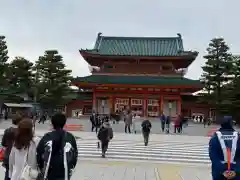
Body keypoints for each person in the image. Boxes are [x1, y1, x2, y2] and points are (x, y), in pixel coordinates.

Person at [36, 113, 78, 180]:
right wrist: (70, 167)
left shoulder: (47, 137)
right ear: (64, 123)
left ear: (52, 123)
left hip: (48, 173)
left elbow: (39, 153)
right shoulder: (70, 137)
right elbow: (74, 155)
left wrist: (42, 168)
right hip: (64, 173)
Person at [209, 116, 240, 180]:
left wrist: (223, 170)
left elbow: (213, 156)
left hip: (219, 173)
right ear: (232, 124)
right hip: (236, 174)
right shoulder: (238, 136)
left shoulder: (215, 137)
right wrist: (236, 171)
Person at [1, 115, 23, 180]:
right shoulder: (21, 132)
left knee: (8, 173)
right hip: (18, 157)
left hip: (8, 155)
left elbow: (3, 144)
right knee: (16, 174)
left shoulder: (7, 130)